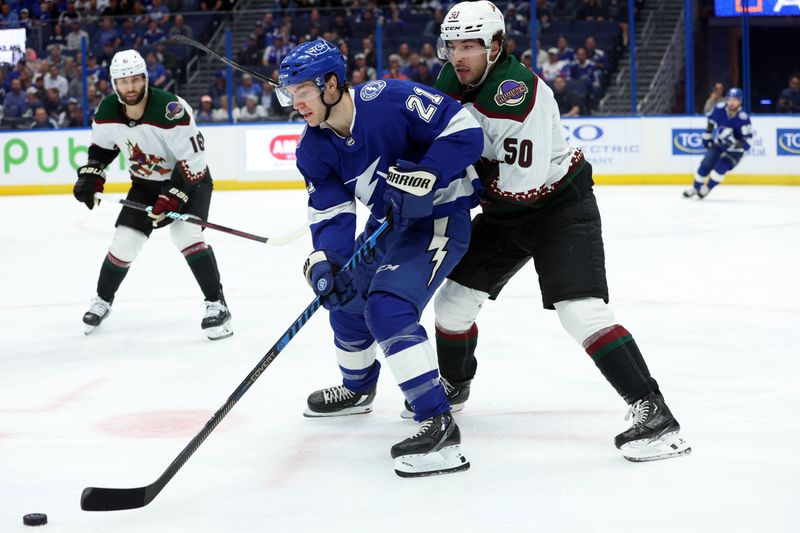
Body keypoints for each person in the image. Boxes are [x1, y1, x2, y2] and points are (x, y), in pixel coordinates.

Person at [430, 0, 691, 462]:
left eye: (469, 45)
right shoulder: (452, 79)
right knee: (451, 305)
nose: (457, 56)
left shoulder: (520, 94)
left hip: (558, 208)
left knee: (581, 313)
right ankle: (454, 385)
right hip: (504, 212)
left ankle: (655, 415)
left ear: (495, 46)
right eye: (452, 45)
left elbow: (519, 183)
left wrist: (444, 187)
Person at [275, 39, 484, 477]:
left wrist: (428, 174)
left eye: (302, 92)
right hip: (387, 226)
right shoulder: (313, 148)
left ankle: (437, 423)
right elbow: (331, 211)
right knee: (344, 294)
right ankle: (358, 390)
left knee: (387, 308)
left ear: (331, 84)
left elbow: (462, 128)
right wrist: (328, 260)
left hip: (439, 218)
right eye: (289, 94)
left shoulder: (388, 98)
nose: (296, 103)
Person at [72, 49, 233, 340]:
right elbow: (101, 149)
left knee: (187, 236)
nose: (130, 87)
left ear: (146, 78)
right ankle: (102, 300)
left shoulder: (171, 109)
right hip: (145, 185)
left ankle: (217, 304)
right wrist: (91, 175)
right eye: (123, 82)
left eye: (135, 79)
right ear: (114, 84)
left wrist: (173, 195)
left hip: (190, 181)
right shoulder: (107, 111)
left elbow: (193, 160)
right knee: (124, 244)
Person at [683, 87, 752, 199]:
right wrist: (708, 135)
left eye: (735, 99)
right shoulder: (719, 109)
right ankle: (695, 187)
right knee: (705, 164)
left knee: (720, 169)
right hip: (720, 144)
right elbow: (711, 121)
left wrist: (734, 142)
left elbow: (746, 141)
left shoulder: (743, 118)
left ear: (740, 101)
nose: (732, 102)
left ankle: (707, 188)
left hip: (735, 150)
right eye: (730, 99)